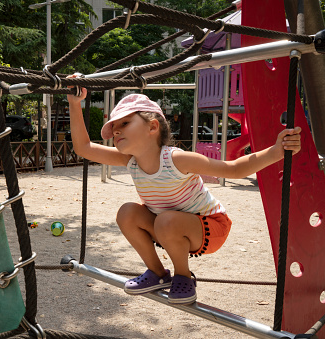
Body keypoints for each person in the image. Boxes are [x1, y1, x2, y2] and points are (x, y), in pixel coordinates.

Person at [67, 85, 302, 305]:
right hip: (166, 227)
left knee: (166, 220)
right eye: (114, 127)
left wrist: (276, 151)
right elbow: (84, 148)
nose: (116, 130)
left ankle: (184, 276)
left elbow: (234, 169)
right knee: (127, 212)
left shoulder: (176, 159)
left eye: (125, 123)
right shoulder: (131, 162)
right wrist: (74, 103)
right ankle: (158, 273)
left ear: (152, 127)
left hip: (210, 227)